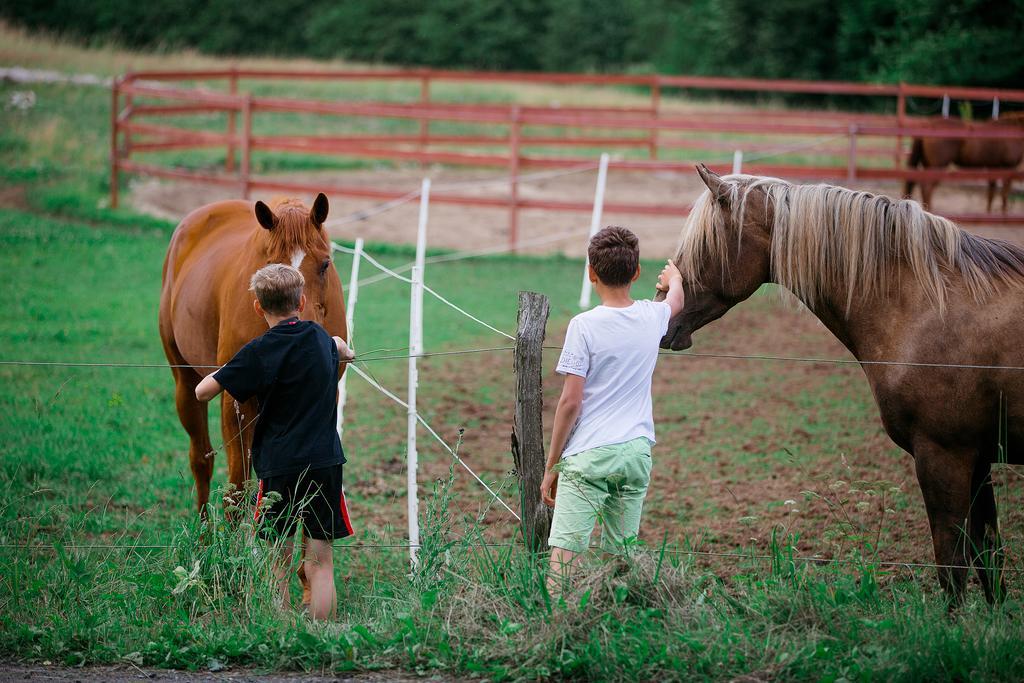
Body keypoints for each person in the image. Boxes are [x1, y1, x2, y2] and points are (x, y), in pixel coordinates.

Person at [194, 263, 355, 620]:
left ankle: (280, 628)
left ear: (257, 307)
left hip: (278, 467)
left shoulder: (257, 352)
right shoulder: (320, 339)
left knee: (276, 559)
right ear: (301, 303)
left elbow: (203, 392)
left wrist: (227, 370)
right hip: (326, 463)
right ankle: (320, 634)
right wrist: (341, 348)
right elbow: (344, 349)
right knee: (321, 561)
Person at [540, 226, 684, 591]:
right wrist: (675, 278)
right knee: (622, 558)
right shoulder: (652, 316)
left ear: (591, 273)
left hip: (590, 455)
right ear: (636, 273)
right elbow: (676, 303)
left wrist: (552, 464)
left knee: (564, 559)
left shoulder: (583, 326)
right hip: (636, 452)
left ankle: (559, 628)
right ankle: (619, 620)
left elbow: (571, 402)